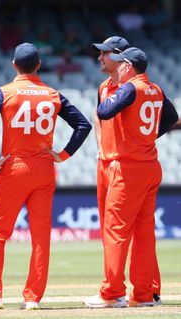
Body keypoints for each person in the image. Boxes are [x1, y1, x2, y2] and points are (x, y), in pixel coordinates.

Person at [0, 42, 91, 310]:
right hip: (44, 167)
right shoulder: (53, 94)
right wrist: (64, 154)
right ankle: (33, 298)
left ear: (14, 65)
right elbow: (84, 124)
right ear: (38, 65)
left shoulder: (5, 93)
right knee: (40, 236)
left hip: (14, 167)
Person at [84, 48, 178, 308]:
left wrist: (113, 94)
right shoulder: (156, 89)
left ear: (128, 66)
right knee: (145, 233)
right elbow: (171, 118)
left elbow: (103, 112)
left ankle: (112, 293)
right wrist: (145, 139)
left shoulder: (129, 88)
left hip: (128, 169)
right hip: (149, 165)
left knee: (115, 231)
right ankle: (145, 294)